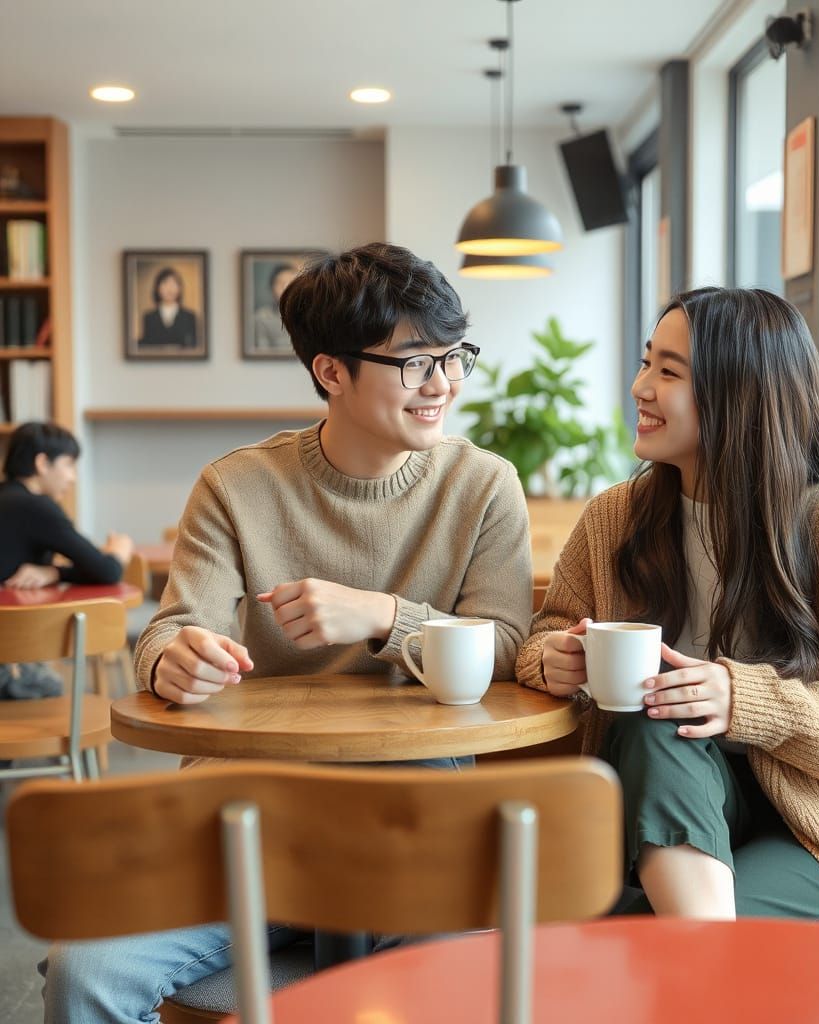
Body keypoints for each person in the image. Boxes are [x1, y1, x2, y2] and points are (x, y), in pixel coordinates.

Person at [41, 242, 534, 1023]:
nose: (443, 383)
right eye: (415, 363)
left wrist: (383, 615)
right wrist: (173, 660)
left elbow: (506, 644)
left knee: (457, 991)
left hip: (416, 820)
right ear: (331, 372)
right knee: (84, 972)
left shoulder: (483, 485)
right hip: (246, 817)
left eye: (453, 356)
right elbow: (172, 629)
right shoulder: (237, 485)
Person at [517, 287, 819, 930]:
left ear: (738, 394)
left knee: (641, 934)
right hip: (664, 801)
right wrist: (550, 658)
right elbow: (548, 631)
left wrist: (746, 701)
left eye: (669, 372)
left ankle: (681, 945)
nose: (640, 387)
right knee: (657, 714)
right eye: (646, 362)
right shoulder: (615, 520)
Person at [0, 421, 133, 700]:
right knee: (53, 686)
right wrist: (120, 549)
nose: (73, 478)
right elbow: (107, 571)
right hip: (6, 665)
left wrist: (52, 572)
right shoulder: (36, 507)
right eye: (69, 464)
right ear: (42, 463)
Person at [137, 267, 199, 349]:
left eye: (174, 283)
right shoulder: (149, 317)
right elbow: (145, 346)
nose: (170, 288)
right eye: (165, 283)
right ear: (157, 288)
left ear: (180, 288)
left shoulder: (189, 316)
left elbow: (194, 346)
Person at [252, 261, 299, 353]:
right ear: (271, 287)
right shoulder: (260, 318)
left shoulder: (309, 316)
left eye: (290, 283)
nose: (285, 287)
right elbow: (261, 354)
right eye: (280, 283)